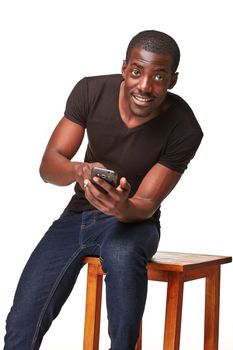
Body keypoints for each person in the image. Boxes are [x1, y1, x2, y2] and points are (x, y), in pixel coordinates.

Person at [3, 30, 203, 350]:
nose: (145, 86)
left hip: (133, 224)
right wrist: (79, 170)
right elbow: (49, 167)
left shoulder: (185, 127)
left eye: (159, 77)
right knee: (21, 323)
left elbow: (146, 204)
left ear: (173, 80)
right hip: (77, 216)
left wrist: (121, 208)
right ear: (124, 68)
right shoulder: (91, 90)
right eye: (137, 72)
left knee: (122, 253)